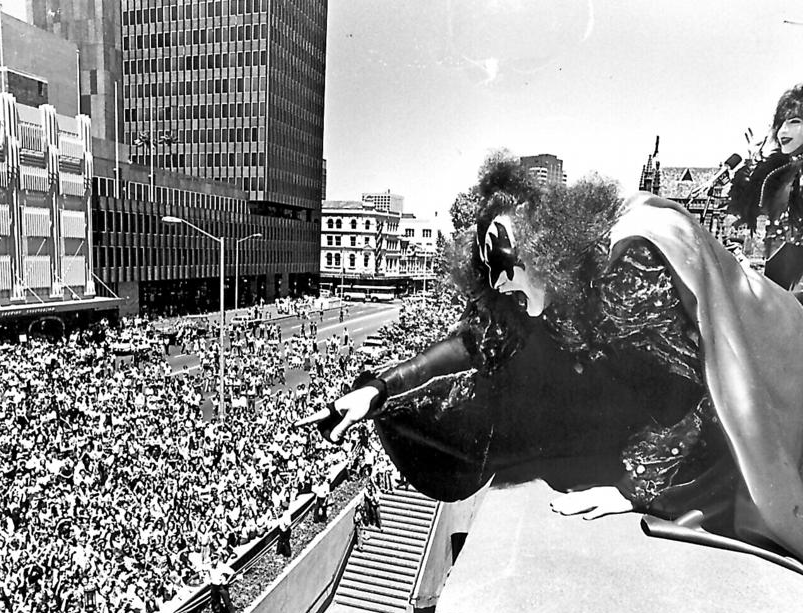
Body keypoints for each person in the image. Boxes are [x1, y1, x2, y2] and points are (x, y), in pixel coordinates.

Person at [298, 149, 803, 574]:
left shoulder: (627, 270)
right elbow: (473, 343)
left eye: (502, 265)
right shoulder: (542, 292)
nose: (498, 284)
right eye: (487, 272)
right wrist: (377, 389)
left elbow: (704, 391)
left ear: (545, 243)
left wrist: (635, 487)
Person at [728, 83, 803, 290]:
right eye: (780, 124)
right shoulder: (779, 173)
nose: (783, 131)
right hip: (778, 280)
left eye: (794, 121)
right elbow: (750, 211)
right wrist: (751, 167)